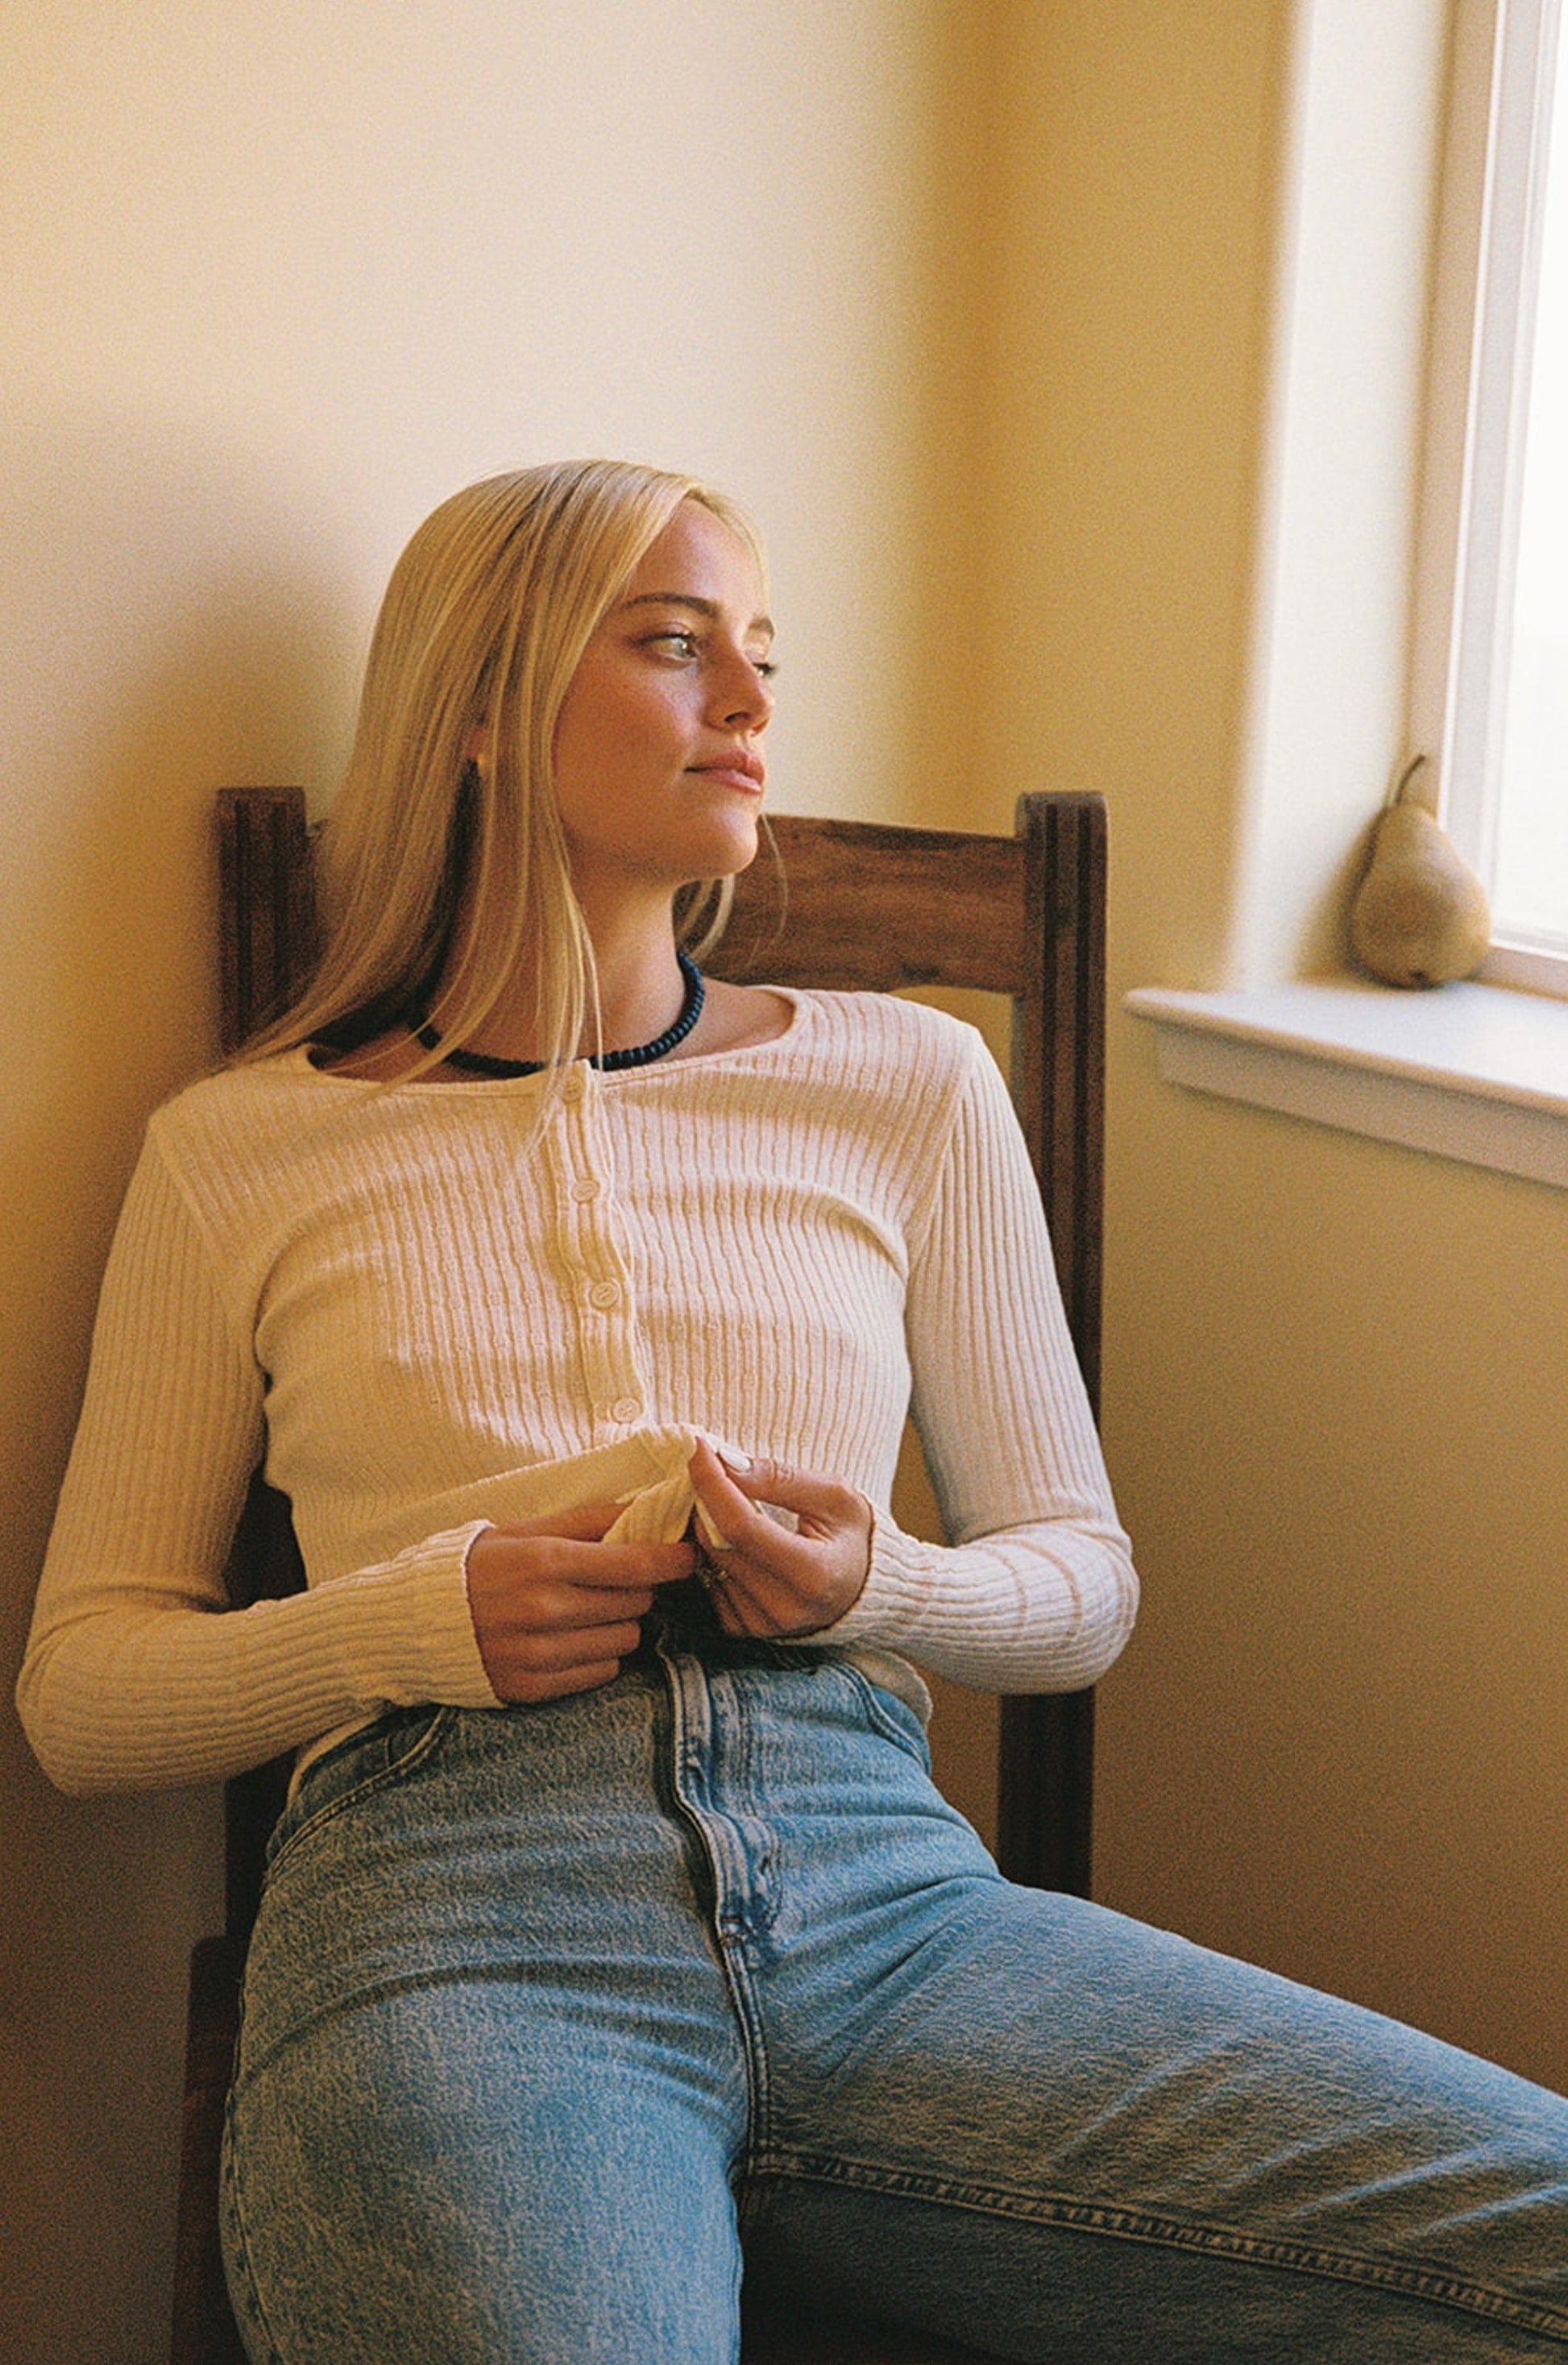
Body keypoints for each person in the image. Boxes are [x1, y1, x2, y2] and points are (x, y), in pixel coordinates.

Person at [17, 459, 1568, 2365]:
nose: (753, 703)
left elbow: (1080, 1584)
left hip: (893, 1904)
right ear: (483, 710)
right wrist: (420, 1619)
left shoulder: (908, 1081)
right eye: (678, 650)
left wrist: (873, 1586)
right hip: (458, 1923)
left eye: (760, 651)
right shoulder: (242, 1152)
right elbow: (84, 1691)